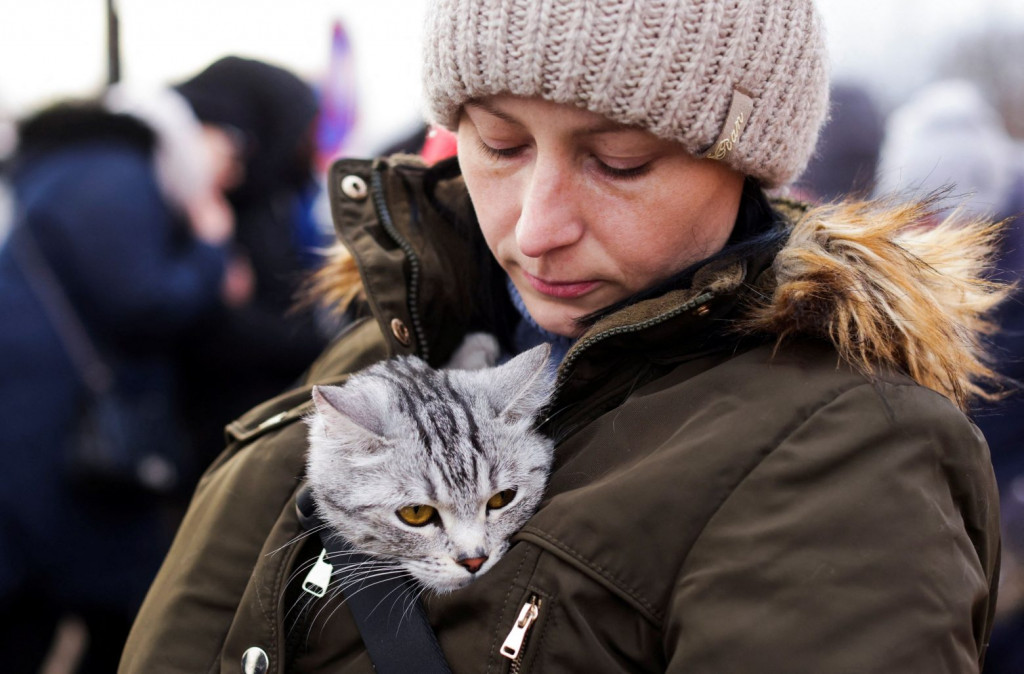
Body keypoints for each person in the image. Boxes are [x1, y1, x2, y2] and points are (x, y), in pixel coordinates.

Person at [120, 1, 1005, 672]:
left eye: (618, 162)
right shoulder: (393, 347)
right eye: (498, 144)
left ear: (746, 161)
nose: (536, 229)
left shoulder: (851, 461)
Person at [0, 57, 298, 671]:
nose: (235, 167)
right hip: (54, 435)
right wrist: (215, 252)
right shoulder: (118, 174)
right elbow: (142, 298)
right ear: (201, 128)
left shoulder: (96, 160)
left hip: (41, 424)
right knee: (109, 602)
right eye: (233, 146)